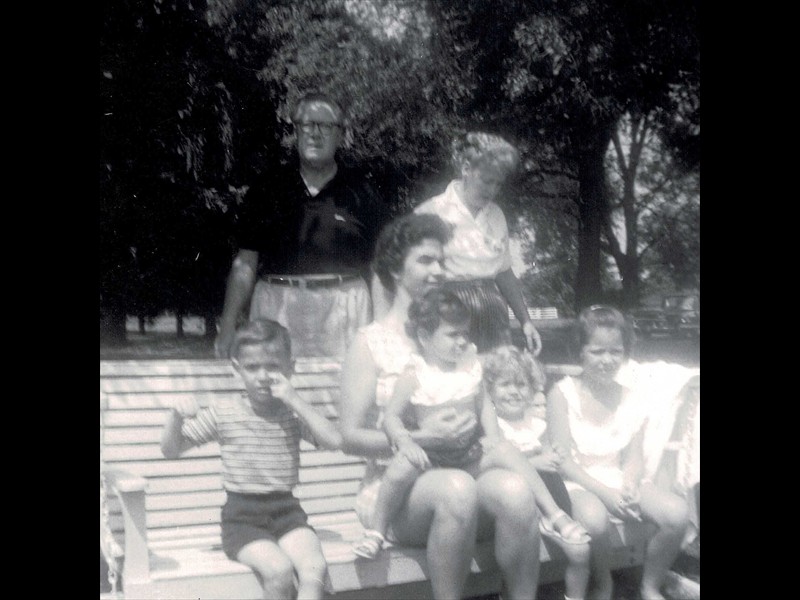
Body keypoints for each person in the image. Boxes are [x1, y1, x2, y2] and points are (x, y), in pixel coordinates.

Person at [339, 212, 543, 600]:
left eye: (441, 261)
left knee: (516, 491)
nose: (438, 271)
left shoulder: (458, 337)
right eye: (425, 260)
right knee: (457, 489)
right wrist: (421, 437)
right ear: (395, 269)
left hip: (463, 467)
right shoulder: (371, 343)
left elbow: (481, 407)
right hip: (397, 490)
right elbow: (348, 438)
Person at [352, 285, 589, 561]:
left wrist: (493, 436)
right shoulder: (414, 374)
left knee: (507, 451)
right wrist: (405, 441)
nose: (462, 341)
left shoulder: (471, 368)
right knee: (400, 467)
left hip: (467, 454)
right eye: (453, 334)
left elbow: (484, 404)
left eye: (465, 333)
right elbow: (391, 416)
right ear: (425, 337)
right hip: (431, 457)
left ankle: (554, 515)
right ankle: (376, 532)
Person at [162, 319, 343, 599]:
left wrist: (295, 400)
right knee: (279, 570)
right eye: (252, 367)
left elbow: (334, 441)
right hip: (242, 519)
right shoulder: (224, 412)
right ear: (237, 369)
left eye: (273, 366)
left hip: (287, 512)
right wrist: (175, 417)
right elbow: (171, 450)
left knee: (314, 568)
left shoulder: (292, 413)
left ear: (290, 368)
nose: (263, 376)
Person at [214, 91, 391, 360]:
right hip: (277, 309)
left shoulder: (363, 192)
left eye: (325, 126)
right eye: (307, 125)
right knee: (274, 382)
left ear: (340, 135)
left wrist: (383, 329)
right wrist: (228, 324)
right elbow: (245, 263)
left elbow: (379, 268)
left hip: (346, 310)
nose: (315, 134)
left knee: (347, 383)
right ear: (296, 131)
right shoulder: (266, 189)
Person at [547, 305, 694, 600]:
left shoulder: (629, 395)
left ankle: (650, 585)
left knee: (677, 514)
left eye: (615, 352)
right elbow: (562, 462)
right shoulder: (562, 394)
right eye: (597, 352)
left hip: (616, 476)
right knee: (594, 519)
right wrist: (606, 494)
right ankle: (604, 583)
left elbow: (634, 455)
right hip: (577, 481)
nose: (607, 360)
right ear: (580, 352)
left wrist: (630, 482)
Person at [412, 131, 542, 355]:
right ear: (466, 169)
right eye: (487, 180)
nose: (492, 190)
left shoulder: (497, 215)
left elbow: (504, 273)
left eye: (498, 184)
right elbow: (410, 273)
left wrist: (526, 321)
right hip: (449, 310)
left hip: (493, 311)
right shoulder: (432, 211)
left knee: (496, 371)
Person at [484, 344, 591, 600]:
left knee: (581, 551)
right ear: (490, 390)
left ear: (532, 389)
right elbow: (496, 467)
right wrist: (536, 462)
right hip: (519, 511)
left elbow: (549, 456)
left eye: (521, 385)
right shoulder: (493, 427)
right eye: (505, 384)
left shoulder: (536, 424)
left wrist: (555, 455)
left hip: (552, 502)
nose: (514, 391)